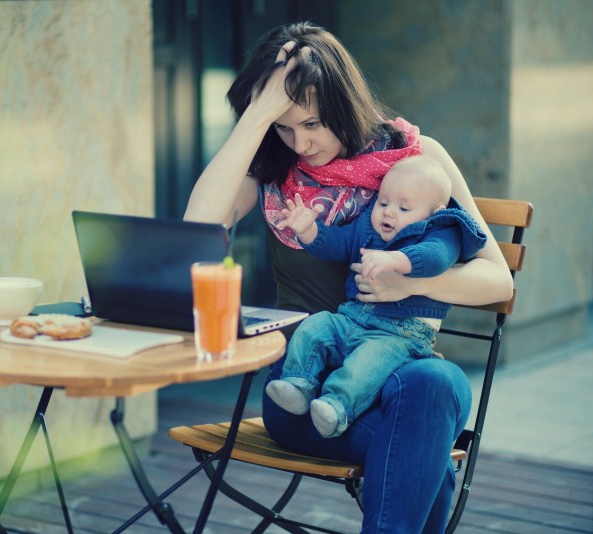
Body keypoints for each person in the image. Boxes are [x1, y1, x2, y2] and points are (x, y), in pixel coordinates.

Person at [183, 21, 513, 533]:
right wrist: (256, 119)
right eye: (284, 126)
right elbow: (196, 232)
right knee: (423, 430)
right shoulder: (270, 166)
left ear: (343, 103)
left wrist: (409, 282)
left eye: (312, 124)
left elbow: (498, 281)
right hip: (305, 388)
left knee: (436, 381)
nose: (300, 144)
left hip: (396, 369)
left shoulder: (415, 160)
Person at [265, 155, 487, 438]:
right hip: (352, 318)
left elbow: (437, 258)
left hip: (399, 334)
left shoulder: (442, 231)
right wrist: (310, 232)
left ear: (435, 211)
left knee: (368, 363)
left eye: (403, 207)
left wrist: (397, 260)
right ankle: (298, 383)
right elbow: (338, 244)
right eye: (383, 202)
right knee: (316, 325)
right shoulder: (368, 225)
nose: (388, 213)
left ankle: (336, 405)